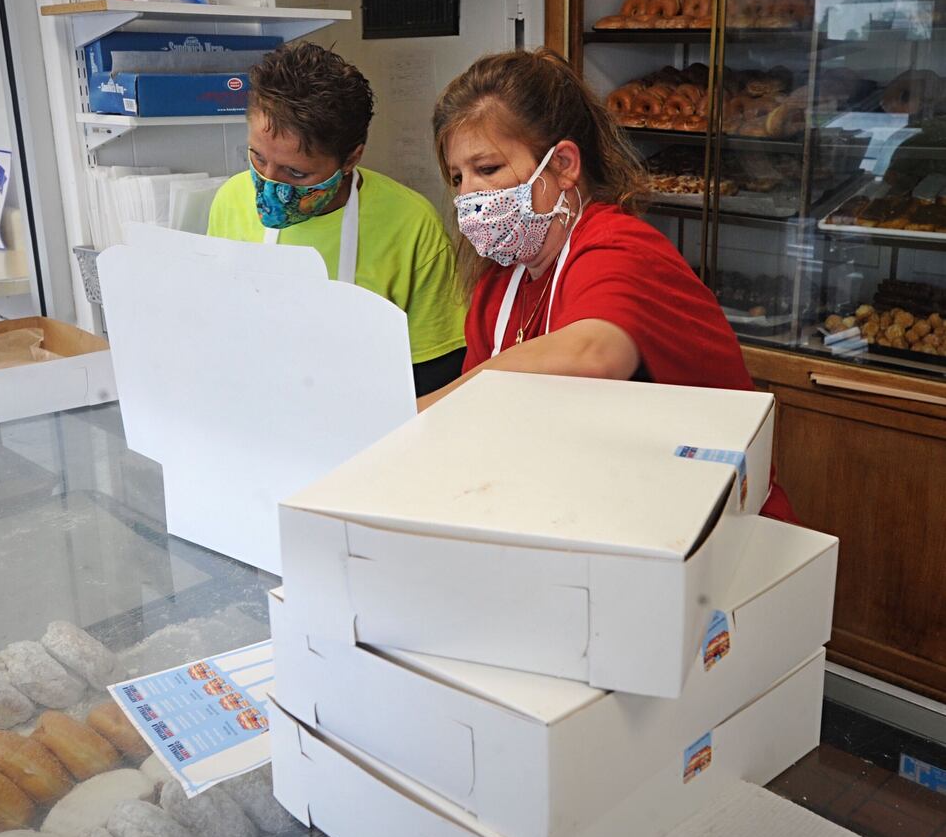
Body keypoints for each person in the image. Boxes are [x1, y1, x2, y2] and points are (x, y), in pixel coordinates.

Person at [420, 47, 795, 522]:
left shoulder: (619, 246)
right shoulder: (500, 286)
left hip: (714, 530)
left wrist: (430, 408)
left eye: (487, 169)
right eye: (457, 176)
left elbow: (594, 355)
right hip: (601, 513)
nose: (468, 195)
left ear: (563, 165)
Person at [207, 43, 467, 395]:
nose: (269, 184)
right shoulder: (230, 200)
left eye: (296, 174)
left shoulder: (412, 226)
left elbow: (436, 376)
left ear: (350, 158)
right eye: (256, 158)